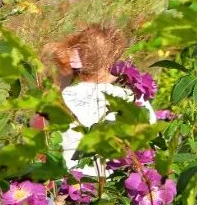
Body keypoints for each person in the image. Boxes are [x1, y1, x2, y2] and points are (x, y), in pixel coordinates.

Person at [49, 25, 156, 177]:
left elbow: (38, 131)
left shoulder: (65, 97)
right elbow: (149, 139)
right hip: (114, 182)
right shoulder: (132, 98)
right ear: (114, 61)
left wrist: (62, 79)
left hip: (68, 182)